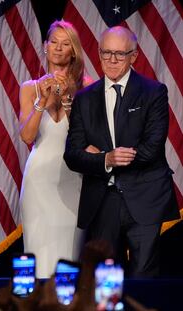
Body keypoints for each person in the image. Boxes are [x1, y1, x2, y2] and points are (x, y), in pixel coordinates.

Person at [64, 26, 180, 277]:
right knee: (106, 279)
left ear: (134, 56)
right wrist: (106, 159)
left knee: (143, 277)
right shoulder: (84, 99)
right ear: (98, 53)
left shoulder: (153, 92)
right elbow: (72, 154)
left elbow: (151, 148)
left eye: (119, 54)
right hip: (103, 202)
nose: (112, 61)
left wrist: (102, 155)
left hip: (145, 197)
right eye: (106, 53)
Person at [19, 20, 92, 278]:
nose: (59, 49)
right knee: (38, 255)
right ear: (45, 46)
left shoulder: (87, 85)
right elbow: (27, 136)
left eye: (65, 44)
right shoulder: (30, 88)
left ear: (73, 51)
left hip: (73, 179)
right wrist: (42, 101)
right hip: (39, 182)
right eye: (54, 42)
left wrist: (67, 99)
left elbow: (85, 138)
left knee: (69, 257)